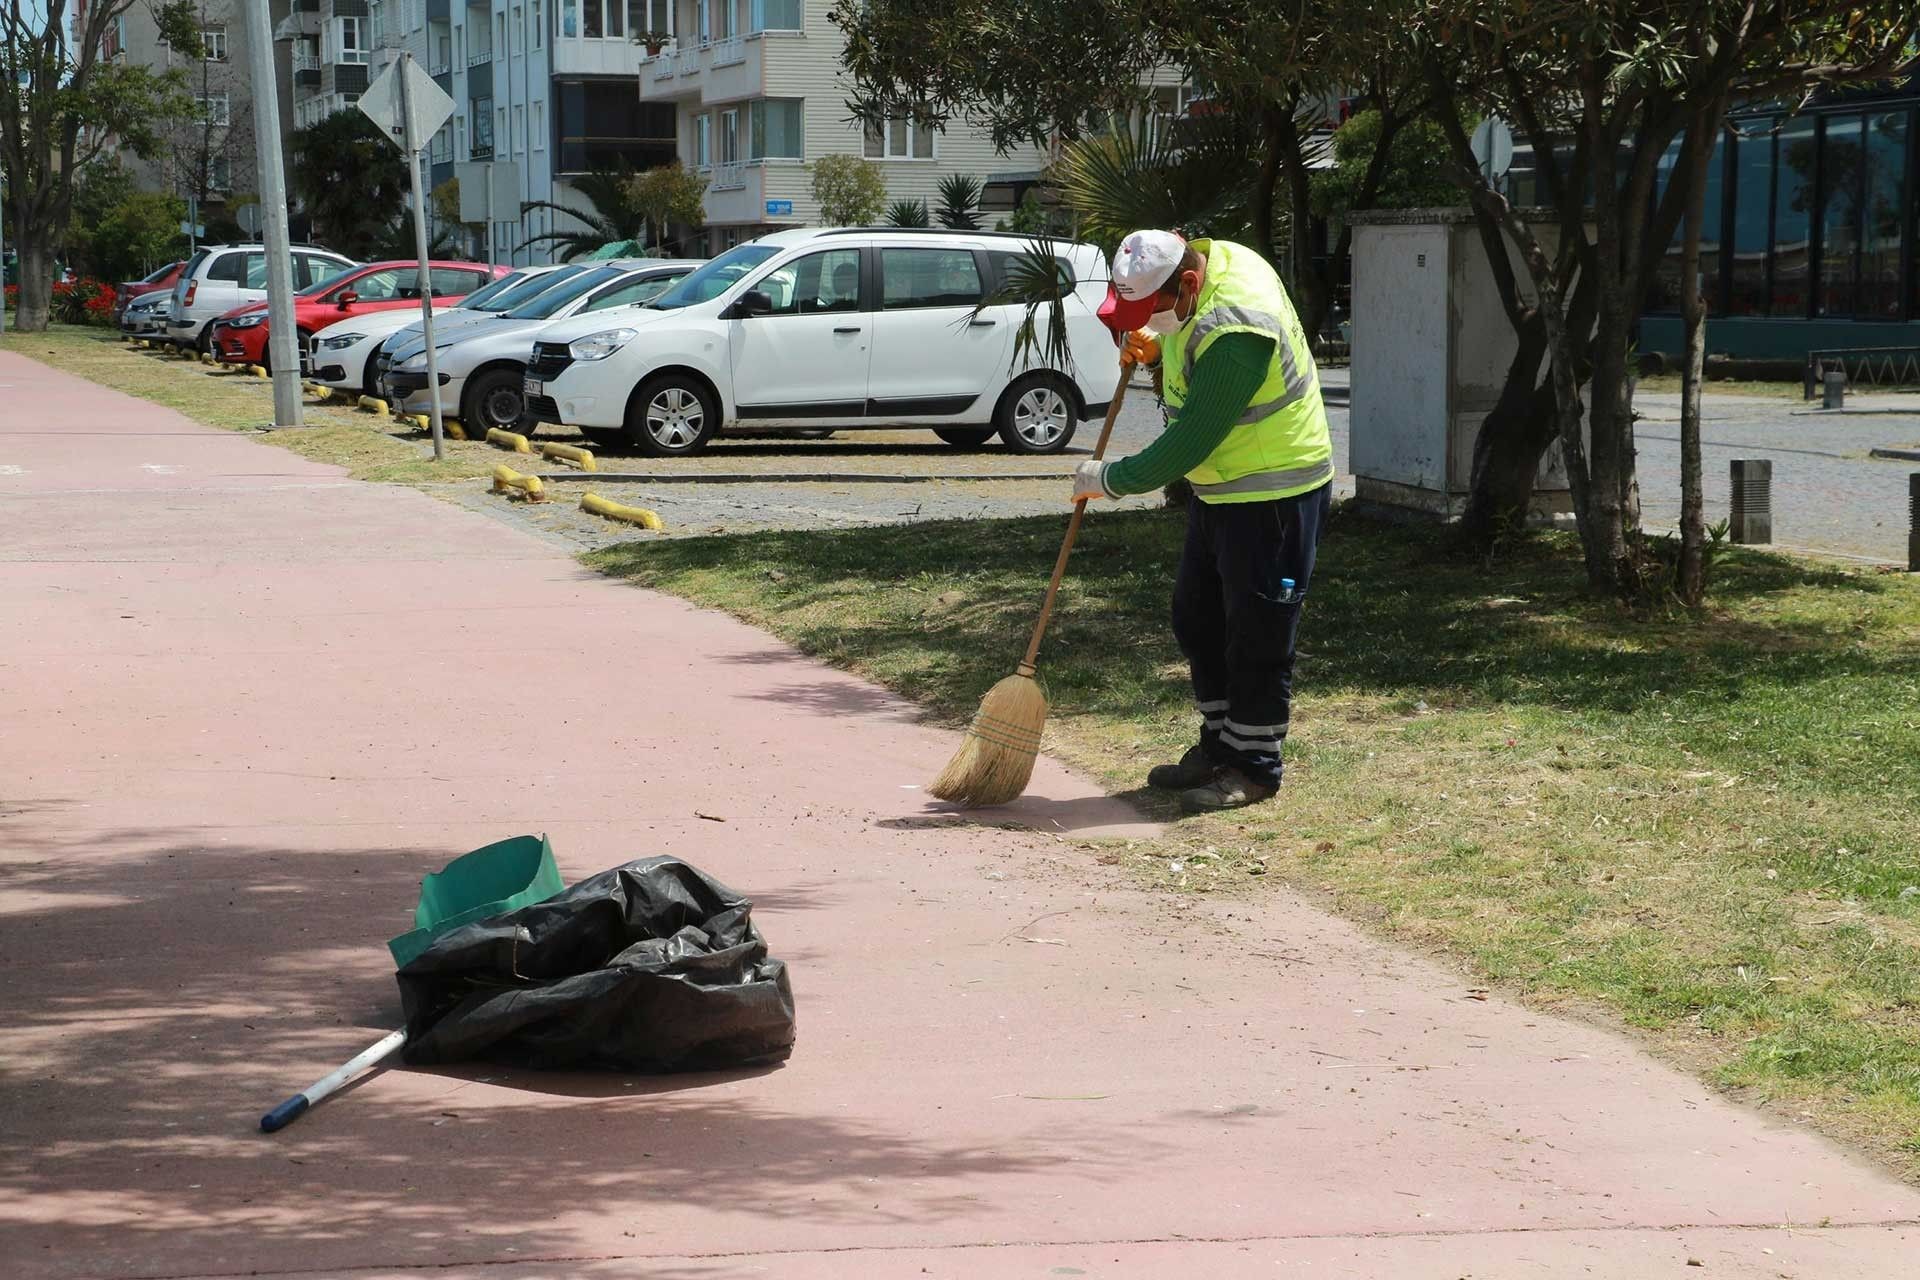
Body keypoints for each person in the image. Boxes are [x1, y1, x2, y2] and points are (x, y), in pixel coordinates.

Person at [1074, 229, 1334, 813]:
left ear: (1187, 284)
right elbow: (1186, 337)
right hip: (1224, 488)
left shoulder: (1239, 326)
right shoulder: (1210, 263)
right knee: (1197, 618)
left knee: (1258, 634)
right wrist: (1157, 345)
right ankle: (1219, 744)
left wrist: (1110, 479)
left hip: (1274, 491)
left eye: (1152, 311)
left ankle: (1253, 766)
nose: (1146, 321)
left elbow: (1192, 439)